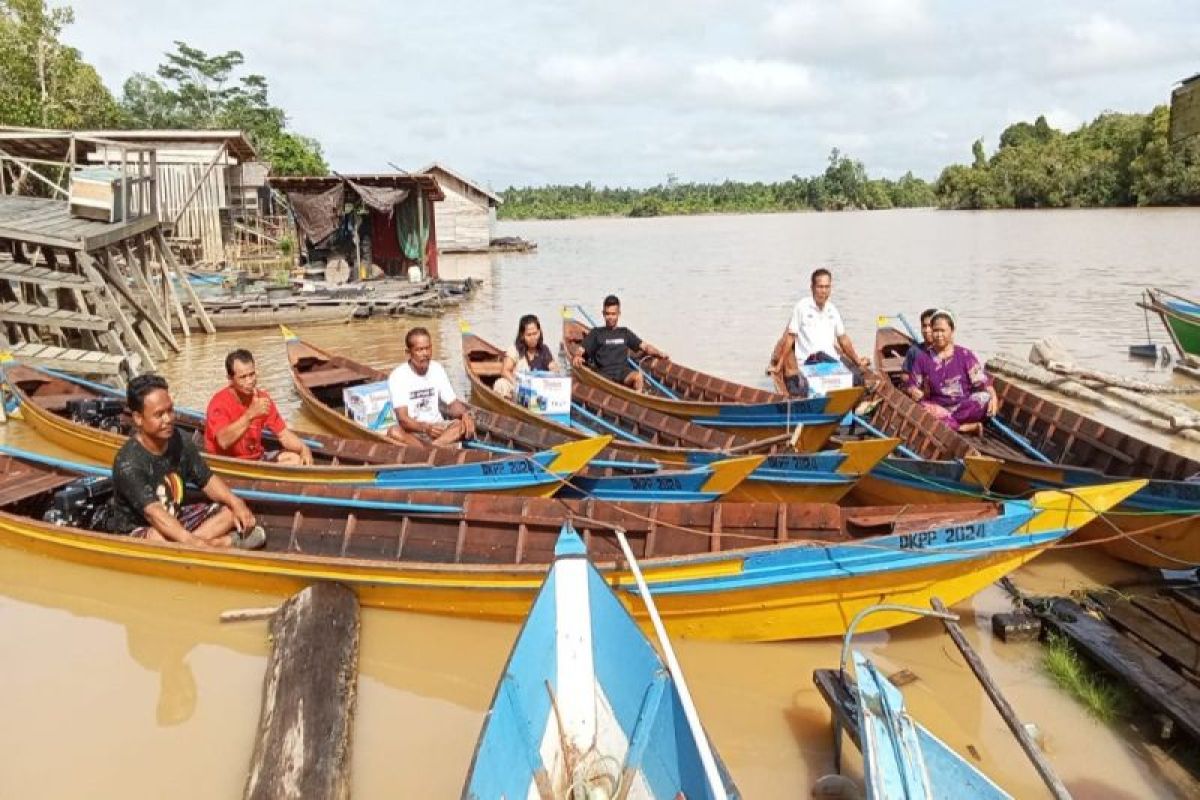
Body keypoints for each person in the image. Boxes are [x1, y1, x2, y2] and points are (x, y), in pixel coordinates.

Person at [105, 373, 263, 549]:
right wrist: (193, 543)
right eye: (159, 415)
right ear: (138, 418)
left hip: (176, 518)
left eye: (170, 410)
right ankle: (220, 544)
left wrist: (237, 503)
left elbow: (207, 479)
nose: (168, 419)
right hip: (143, 530)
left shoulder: (179, 439)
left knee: (229, 511)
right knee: (157, 537)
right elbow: (154, 514)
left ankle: (200, 546)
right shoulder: (128, 462)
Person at [769, 268, 871, 397]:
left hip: (832, 362)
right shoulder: (802, 307)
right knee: (799, 391)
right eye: (820, 287)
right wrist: (779, 365)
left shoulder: (832, 310)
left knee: (858, 380)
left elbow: (843, 340)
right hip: (809, 363)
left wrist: (857, 361)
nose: (824, 291)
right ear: (812, 288)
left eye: (827, 287)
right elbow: (790, 338)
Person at [204, 349, 313, 465]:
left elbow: (283, 435)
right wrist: (250, 415)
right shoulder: (219, 403)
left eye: (252, 374)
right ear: (230, 379)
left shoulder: (262, 399)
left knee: (295, 459)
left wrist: (303, 448)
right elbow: (223, 441)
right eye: (243, 377)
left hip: (256, 458)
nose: (249, 381)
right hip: (228, 463)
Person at [905, 310, 998, 434]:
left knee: (984, 398)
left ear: (952, 331)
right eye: (935, 330)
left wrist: (994, 397)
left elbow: (982, 382)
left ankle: (950, 423)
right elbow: (912, 384)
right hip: (939, 407)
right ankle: (962, 428)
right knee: (922, 409)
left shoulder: (965, 355)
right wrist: (913, 390)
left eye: (942, 331)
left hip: (964, 406)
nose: (938, 335)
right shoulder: (923, 358)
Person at [387, 326, 476, 446]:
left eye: (428, 348)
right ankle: (437, 449)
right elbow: (403, 419)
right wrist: (425, 428)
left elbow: (453, 403)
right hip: (414, 431)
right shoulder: (398, 376)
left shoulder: (437, 369)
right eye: (419, 350)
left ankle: (432, 449)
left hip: (439, 430)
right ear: (408, 353)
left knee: (462, 425)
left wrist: (466, 415)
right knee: (393, 432)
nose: (425, 354)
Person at [570, 295, 668, 392]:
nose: (610, 317)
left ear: (618, 314)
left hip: (623, 372)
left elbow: (645, 347)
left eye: (613, 314)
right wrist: (577, 356)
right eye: (607, 314)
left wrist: (660, 353)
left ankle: (638, 400)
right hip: (603, 374)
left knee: (638, 377)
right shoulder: (596, 333)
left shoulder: (625, 332)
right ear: (603, 314)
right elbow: (581, 350)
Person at [493, 314, 561, 400]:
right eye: (529, 335)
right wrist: (519, 385)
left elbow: (553, 368)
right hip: (520, 388)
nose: (533, 338)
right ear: (522, 335)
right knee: (501, 383)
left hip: (539, 391)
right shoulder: (515, 350)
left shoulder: (544, 349)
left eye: (535, 333)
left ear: (539, 332)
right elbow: (505, 371)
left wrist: (554, 370)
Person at [900, 308, 939, 380]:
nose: (927, 330)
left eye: (930, 326)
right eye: (924, 326)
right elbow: (904, 374)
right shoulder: (914, 351)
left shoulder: (948, 351)